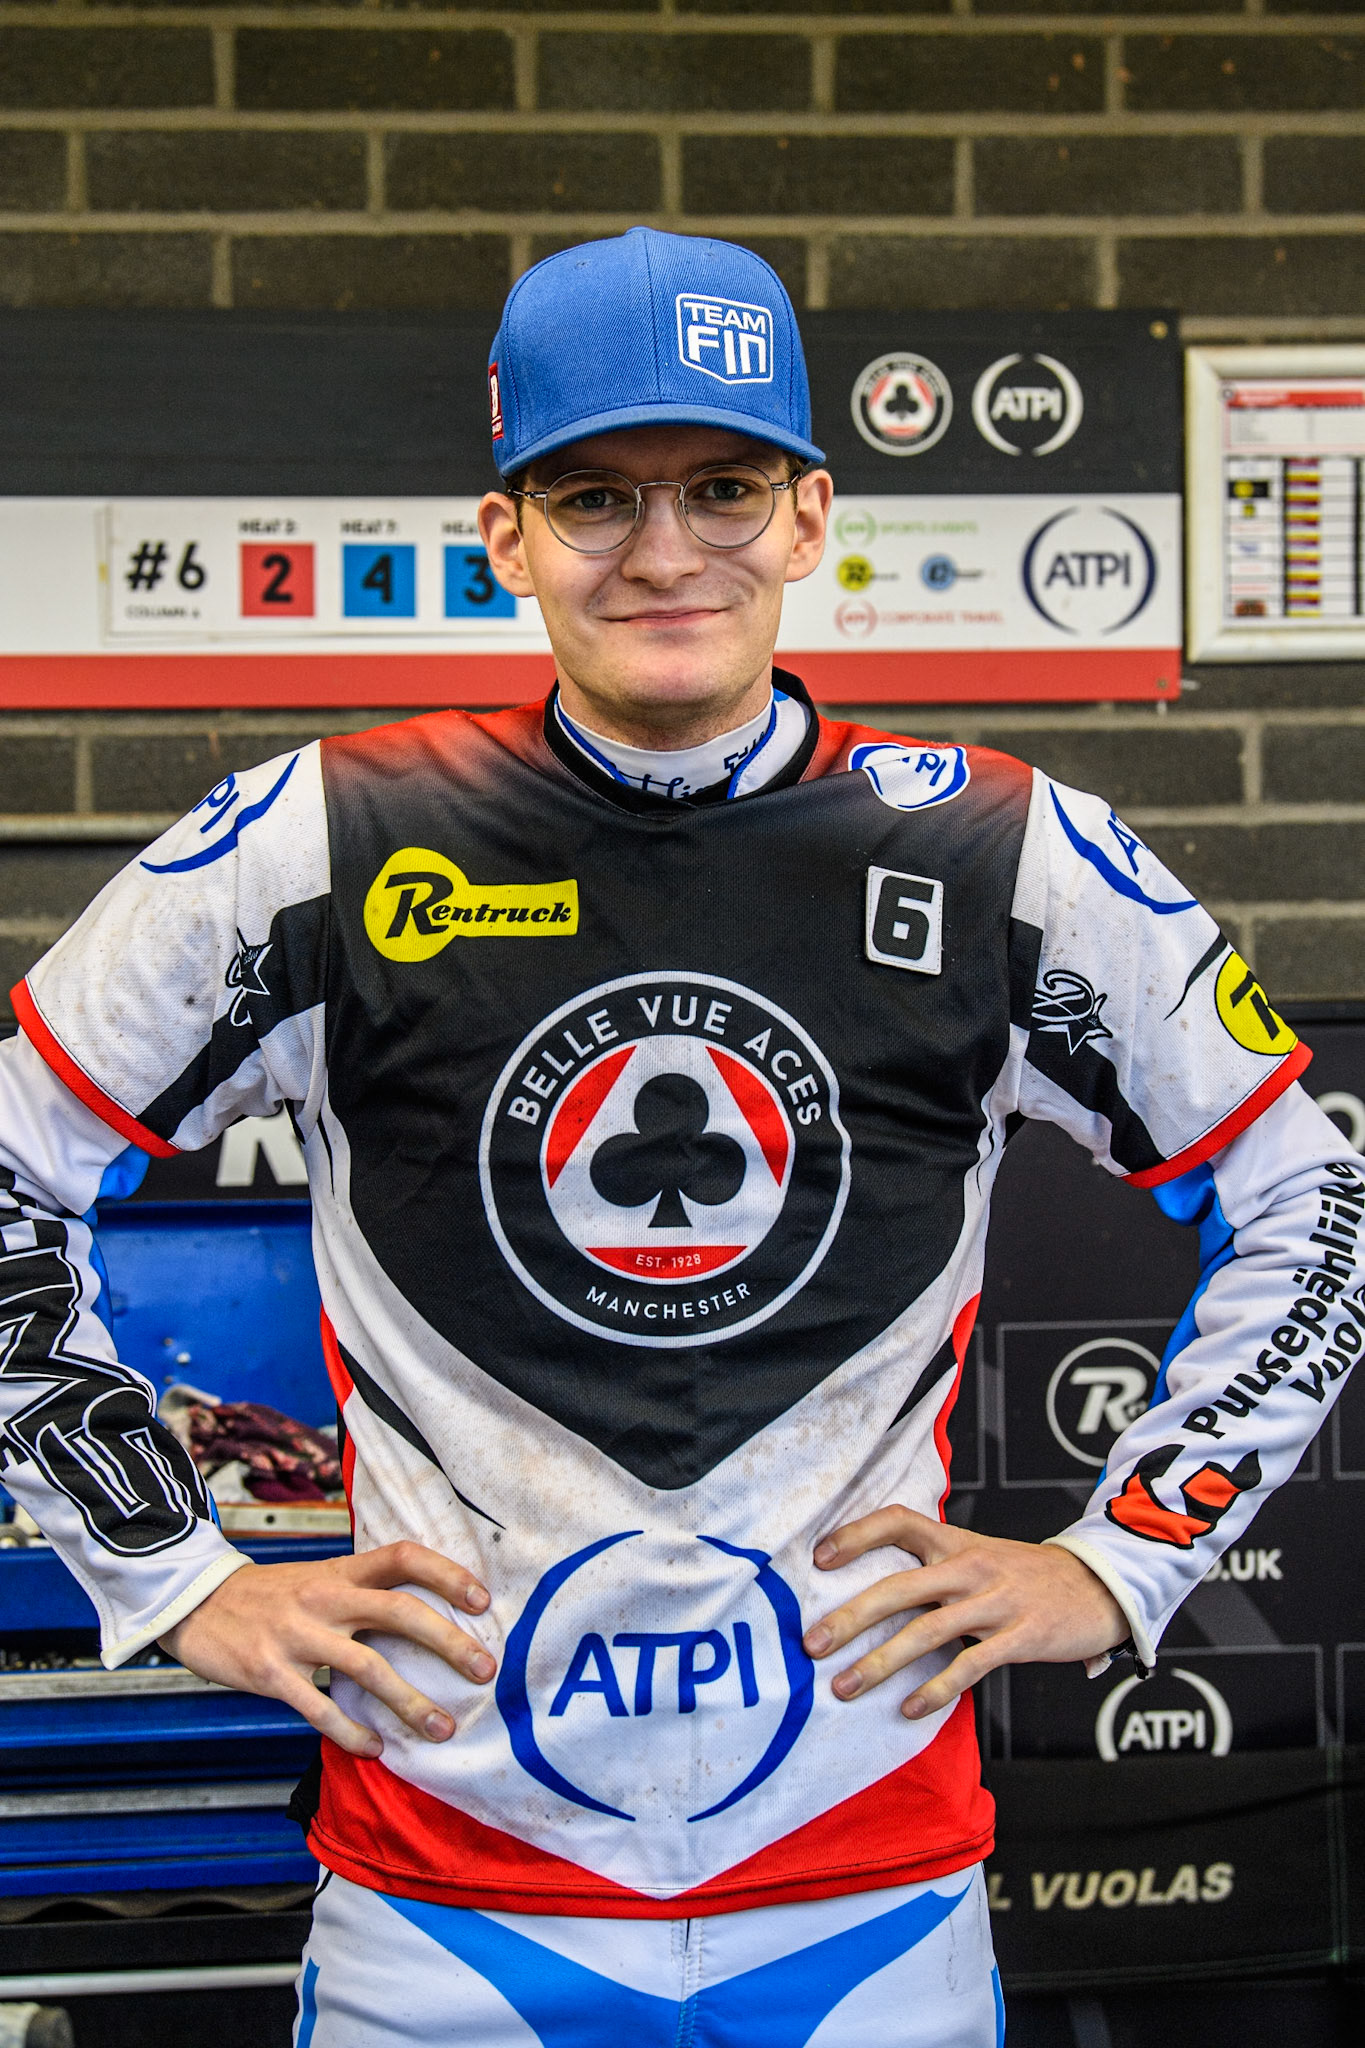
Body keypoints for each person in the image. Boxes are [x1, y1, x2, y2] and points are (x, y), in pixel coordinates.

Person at [0, 227, 1360, 2047]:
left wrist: (1121, 1558)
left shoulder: (997, 851)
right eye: (592, 497)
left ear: (809, 518)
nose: (661, 554)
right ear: (505, 536)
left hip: (869, 1898)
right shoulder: (316, 839)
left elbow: (1311, 1195)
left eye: (720, 490)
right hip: (446, 1905)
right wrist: (174, 1575)